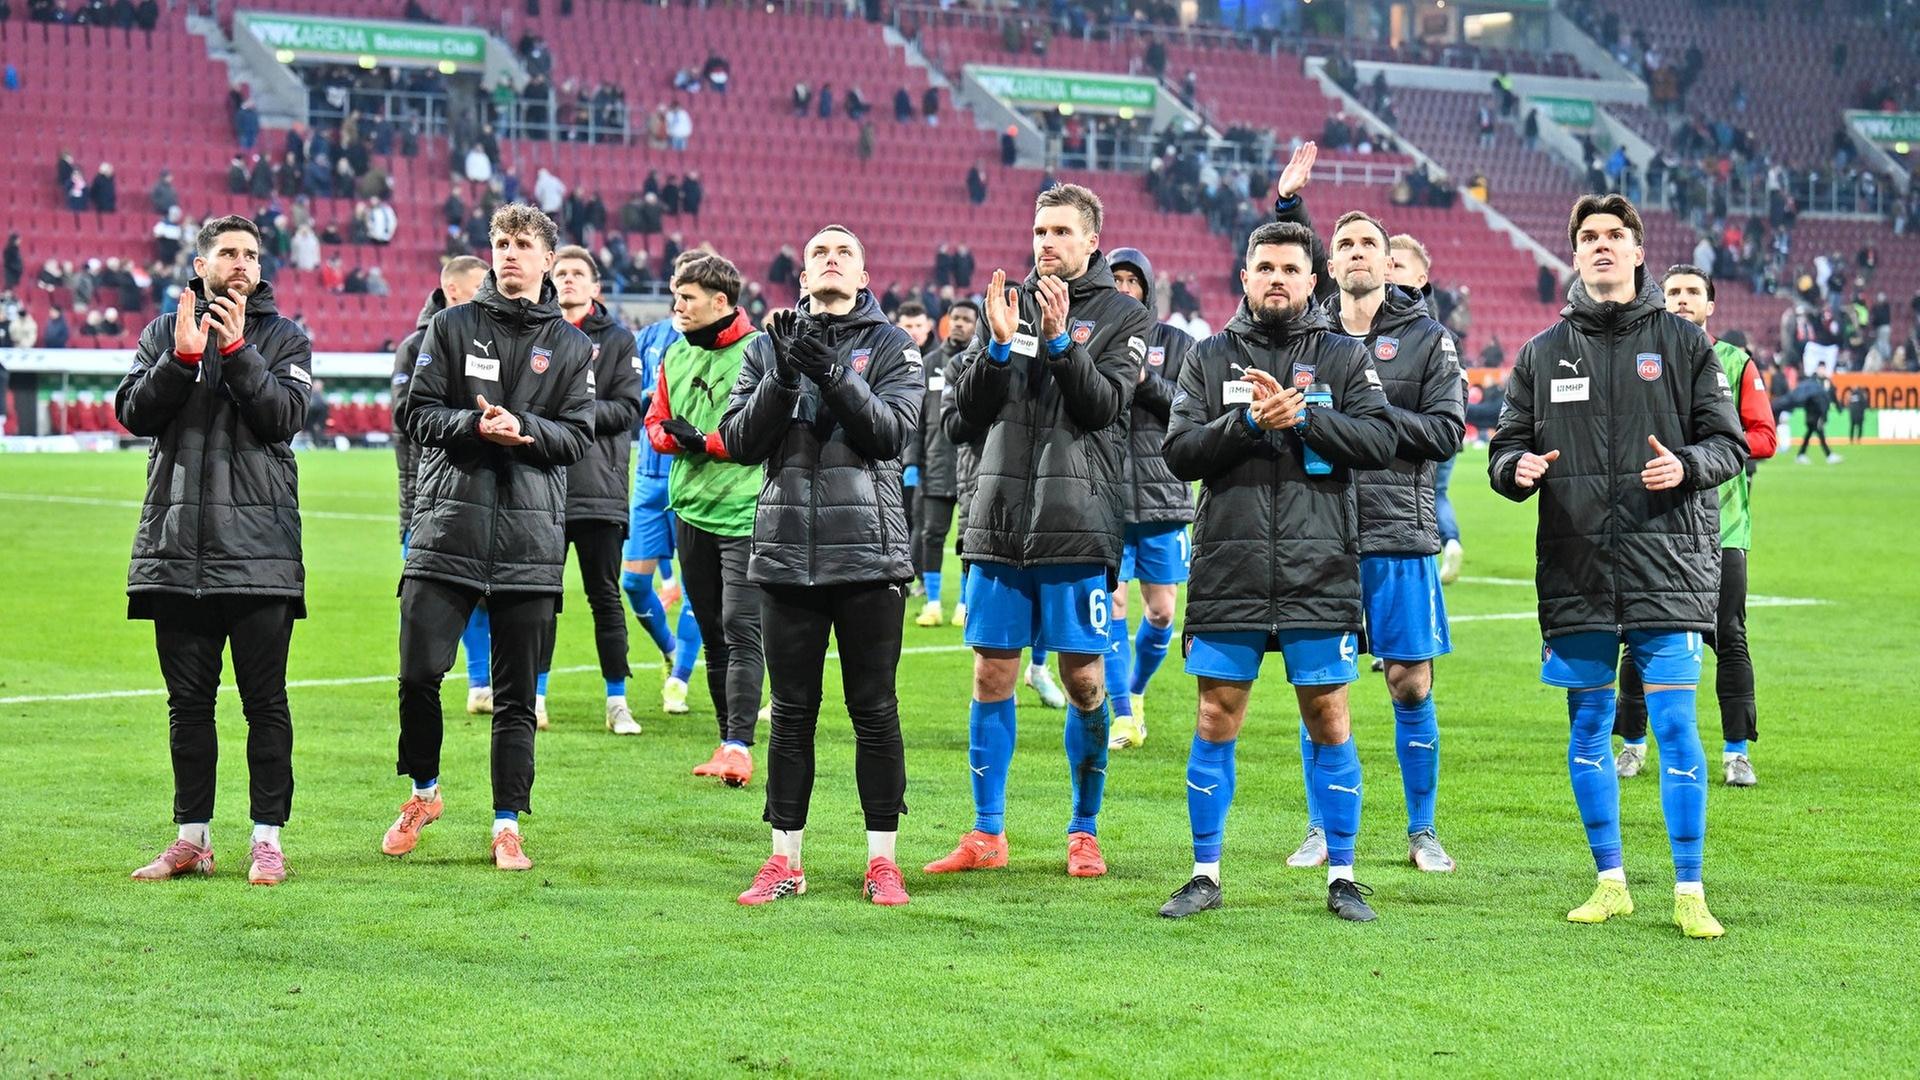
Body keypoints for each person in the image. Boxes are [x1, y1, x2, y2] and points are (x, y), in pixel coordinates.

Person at [1488, 194, 1746, 938]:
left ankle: (1690, 891)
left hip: (1666, 562)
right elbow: (1503, 450)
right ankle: (1611, 883)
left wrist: (1688, 467)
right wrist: (1517, 470)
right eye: (1589, 237)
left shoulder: (1686, 345)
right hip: (1578, 569)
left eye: (1614, 236)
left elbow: (1728, 444)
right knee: (1588, 728)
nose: (1601, 246)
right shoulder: (1541, 354)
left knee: (1672, 724)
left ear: (1639, 253)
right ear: (1575, 255)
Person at [1155, 221, 1396, 922]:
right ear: (1246, 276)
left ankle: (1343, 875)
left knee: (1329, 716)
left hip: (1319, 570)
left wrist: (1303, 424)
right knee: (1214, 715)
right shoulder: (1208, 359)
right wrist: (1251, 424)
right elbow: (1179, 452)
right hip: (1229, 568)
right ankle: (1204, 873)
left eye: (1291, 268)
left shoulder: (1346, 359)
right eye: (1265, 267)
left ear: (1312, 281)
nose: (1278, 279)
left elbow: (1380, 440)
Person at [924, 183, 1152, 880]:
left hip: (1076, 525)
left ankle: (1084, 829)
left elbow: (1103, 406)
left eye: (1059, 231)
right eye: (1038, 230)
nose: (1045, 243)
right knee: (992, 670)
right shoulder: (1005, 305)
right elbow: (958, 421)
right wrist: (995, 350)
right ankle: (986, 832)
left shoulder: (1123, 317)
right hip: (996, 522)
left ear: (1090, 241)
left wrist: (1058, 343)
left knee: (1085, 682)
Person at [384, 204, 594, 872]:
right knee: (419, 675)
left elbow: (580, 434)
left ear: (545, 259)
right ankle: (424, 792)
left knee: (515, 699)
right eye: (501, 243)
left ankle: (507, 823)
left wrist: (525, 428)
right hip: (447, 528)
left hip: (529, 542)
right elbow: (412, 413)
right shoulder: (449, 327)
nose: (509, 253)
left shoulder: (572, 346)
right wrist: (476, 429)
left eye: (523, 244)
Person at [718, 225, 922, 906]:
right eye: (817, 254)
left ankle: (882, 861)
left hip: (868, 554)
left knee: (874, 710)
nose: (829, 260)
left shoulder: (894, 347)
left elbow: (890, 435)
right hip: (785, 555)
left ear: (864, 276)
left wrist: (831, 373)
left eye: (843, 253)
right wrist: (783, 373)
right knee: (794, 713)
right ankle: (784, 861)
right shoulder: (764, 349)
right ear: (802, 278)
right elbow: (742, 442)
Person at [114, 215, 313, 886]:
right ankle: (191, 837)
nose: (240, 263)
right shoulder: (161, 333)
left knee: (266, 704)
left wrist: (237, 352)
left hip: (260, 556)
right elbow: (134, 413)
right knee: (188, 708)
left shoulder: (286, 339)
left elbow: (284, 418)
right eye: (227, 252)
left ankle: (266, 839)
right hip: (177, 553)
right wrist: (184, 358)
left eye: (250, 254)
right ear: (201, 264)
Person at [1279, 211, 1465, 875]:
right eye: (1346, 245)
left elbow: (1448, 432)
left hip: (1401, 531)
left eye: (1369, 245)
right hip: (1321, 534)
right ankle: (1322, 829)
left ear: (1389, 264)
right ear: (1331, 266)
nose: (1358, 254)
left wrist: (1366, 420)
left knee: (1410, 684)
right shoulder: (1305, 340)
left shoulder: (1428, 339)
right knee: (1322, 688)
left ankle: (1422, 832)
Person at [1614, 264, 1778, 788]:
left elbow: (1765, 438)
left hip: (1723, 528)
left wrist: (1700, 455)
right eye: (1674, 292)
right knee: (1639, 637)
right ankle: (1633, 745)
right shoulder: (1640, 360)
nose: (1682, 300)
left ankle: (1736, 753)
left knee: (1728, 636)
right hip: (1654, 526)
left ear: (1711, 306)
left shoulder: (1734, 362)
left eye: (1693, 293)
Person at [643, 253, 767, 786]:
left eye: (687, 299)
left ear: (720, 302)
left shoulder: (761, 351)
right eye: (676, 297)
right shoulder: (674, 355)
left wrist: (706, 442)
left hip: (745, 510)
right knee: (714, 632)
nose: (678, 308)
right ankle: (727, 740)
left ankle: (741, 744)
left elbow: (764, 431)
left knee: (742, 629)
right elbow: (654, 423)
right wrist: (675, 437)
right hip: (690, 509)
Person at [528, 246, 646, 733]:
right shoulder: (539, 333)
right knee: (539, 597)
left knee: (604, 597)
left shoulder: (618, 340)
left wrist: (568, 411)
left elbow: (627, 409)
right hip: (541, 488)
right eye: (562, 274)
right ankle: (533, 698)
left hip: (598, 491)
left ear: (595, 287)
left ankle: (617, 701)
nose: (570, 280)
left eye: (579, 274)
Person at [1100, 246, 1194, 751]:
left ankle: (1135, 692)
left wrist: (1145, 380)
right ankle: (1120, 714)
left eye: (1131, 280)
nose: (1122, 288)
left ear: (1147, 287)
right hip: (1107, 498)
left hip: (1162, 497)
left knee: (1160, 613)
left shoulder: (1176, 343)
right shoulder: (1089, 336)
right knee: (1112, 604)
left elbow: (1191, 406)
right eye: (1114, 279)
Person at [392, 257, 493, 714]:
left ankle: (483, 683)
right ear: (453, 291)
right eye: (479, 286)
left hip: (479, 488)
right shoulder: (415, 347)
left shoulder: (490, 341)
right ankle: (466, 683)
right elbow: (404, 415)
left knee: (487, 593)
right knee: (435, 602)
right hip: (424, 494)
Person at [622, 255, 704, 716]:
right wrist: (647, 400)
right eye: (679, 281)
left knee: (695, 586)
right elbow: (623, 395)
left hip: (693, 474)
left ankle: (680, 677)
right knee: (634, 584)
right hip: (649, 475)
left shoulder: (718, 345)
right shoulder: (649, 338)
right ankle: (673, 648)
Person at [1385, 234, 1466, 582]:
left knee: (1431, 492)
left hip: (1428, 432)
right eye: (1386, 264)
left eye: (1397, 266)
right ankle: (1451, 544)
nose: (1388, 272)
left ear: (1421, 280)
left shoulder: (1428, 331)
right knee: (1438, 493)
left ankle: (1446, 542)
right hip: (1429, 427)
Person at [908, 300, 973, 627]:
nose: (960, 324)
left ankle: (964, 603)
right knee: (932, 535)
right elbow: (917, 420)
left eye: (966, 319)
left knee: (969, 540)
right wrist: (911, 463)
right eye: (955, 318)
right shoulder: (930, 363)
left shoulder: (983, 362)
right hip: (935, 463)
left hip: (972, 465)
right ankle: (932, 602)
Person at [1795, 362, 1840, 463]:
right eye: (1821, 369)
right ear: (1817, 369)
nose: (1822, 371)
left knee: (1809, 434)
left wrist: (1838, 407)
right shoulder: (1812, 382)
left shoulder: (1827, 382)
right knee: (1820, 433)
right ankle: (1829, 455)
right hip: (1813, 413)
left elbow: (1832, 396)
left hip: (1821, 413)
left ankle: (1801, 455)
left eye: (1824, 369)